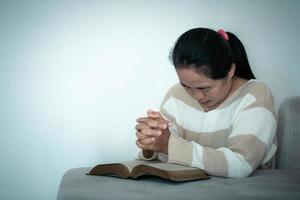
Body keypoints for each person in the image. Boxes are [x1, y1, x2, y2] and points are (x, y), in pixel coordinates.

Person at [135, 28, 277, 178]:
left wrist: (169, 145)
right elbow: (165, 148)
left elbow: (241, 164)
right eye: (187, 86)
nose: (197, 96)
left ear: (230, 71)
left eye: (205, 88)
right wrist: (152, 142)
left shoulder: (255, 95)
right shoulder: (176, 95)